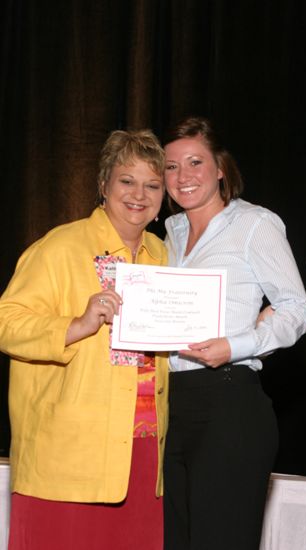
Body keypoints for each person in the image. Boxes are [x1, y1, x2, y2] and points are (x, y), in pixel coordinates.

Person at [0, 129, 169, 550]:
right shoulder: (60, 246)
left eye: (152, 185)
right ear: (103, 184)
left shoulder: (161, 254)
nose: (139, 194)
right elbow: (7, 321)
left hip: (143, 449)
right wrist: (75, 324)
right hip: (68, 454)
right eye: (126, 181)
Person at [162, 116, 306, 550]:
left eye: (195, 162)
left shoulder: (254, 224)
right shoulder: (167, 233)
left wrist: (234, 346)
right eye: (171, 166)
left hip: (229, 403)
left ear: (220, 168)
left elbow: (297, 309)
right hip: (168, 405)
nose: (183, 176)